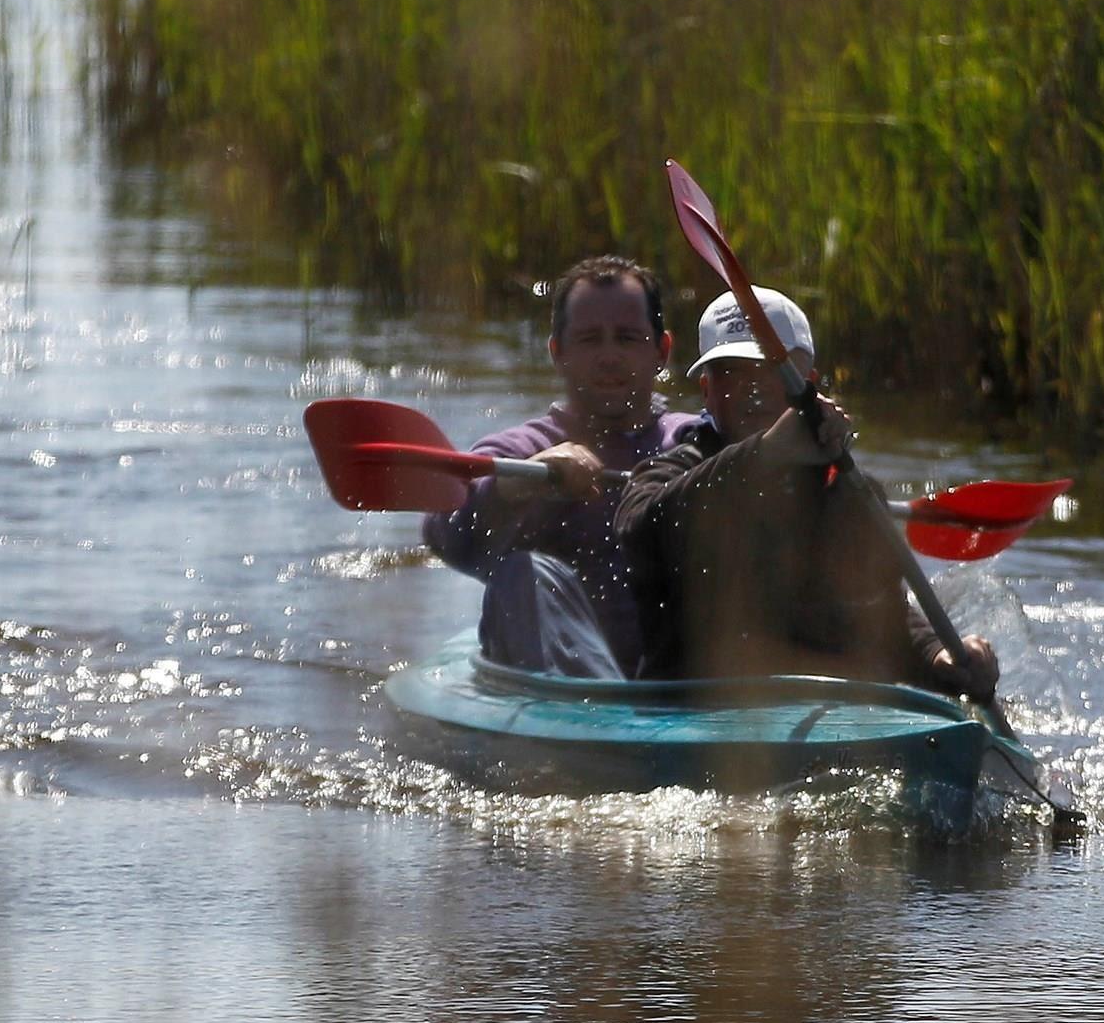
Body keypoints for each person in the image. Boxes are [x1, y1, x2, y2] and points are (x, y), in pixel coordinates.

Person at [614, 286, 1000, 700]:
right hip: (687, 716)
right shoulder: (670, 473)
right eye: (729, 372)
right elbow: (639, 530)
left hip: (816, 717)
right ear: (706, 392)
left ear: (810, 385)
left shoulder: (848, 491)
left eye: (772, 371)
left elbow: (882, 618)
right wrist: (764, 455)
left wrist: (938, 655)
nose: (751, 388)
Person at [423, 255, 697, 677]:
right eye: (590, 340)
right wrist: (523, 482)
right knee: (525, 573)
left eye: (626, 338)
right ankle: (601, 723)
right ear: (558, 353)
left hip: (677, 682)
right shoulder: (522, 448)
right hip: (564, 693)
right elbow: (445, 529)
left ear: (661, 352)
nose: (608, 357)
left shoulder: (693, 441)